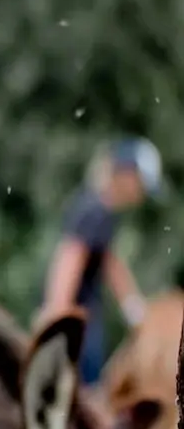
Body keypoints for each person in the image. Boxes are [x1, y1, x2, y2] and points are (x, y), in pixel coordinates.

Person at [41, 137, 164, 384]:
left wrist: (134, 309)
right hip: (77, 323)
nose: (140, 194)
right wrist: (56, 316)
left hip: (84, 322)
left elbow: (109, 261)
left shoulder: (102, 211)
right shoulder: (94, 211)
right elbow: (69, 259)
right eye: (141, 184)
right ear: (126, 174)